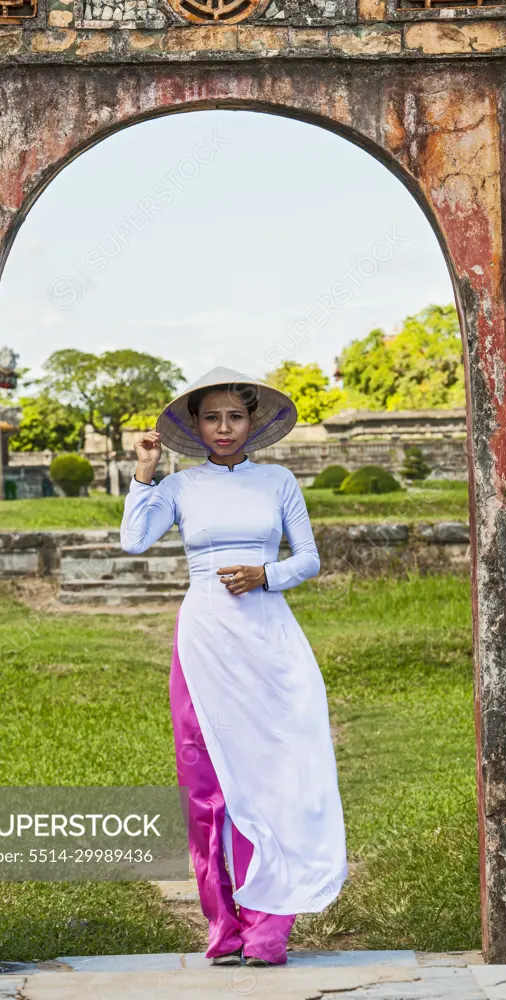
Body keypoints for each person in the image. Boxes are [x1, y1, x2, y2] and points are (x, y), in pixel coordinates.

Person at [120, 366, 348, 968]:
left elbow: (309, 559)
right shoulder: (179, 486)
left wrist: (264, 575)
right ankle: (223, 924)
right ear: (194, 425)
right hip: (204, 641)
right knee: (206, 784)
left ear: (253, 421)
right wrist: (144, 471)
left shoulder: (277, 481)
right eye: (212, 417)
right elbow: (134, 541)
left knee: (276, 771)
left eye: (235, 416)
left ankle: (270, 925)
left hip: (269, 640)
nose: (225, 427)